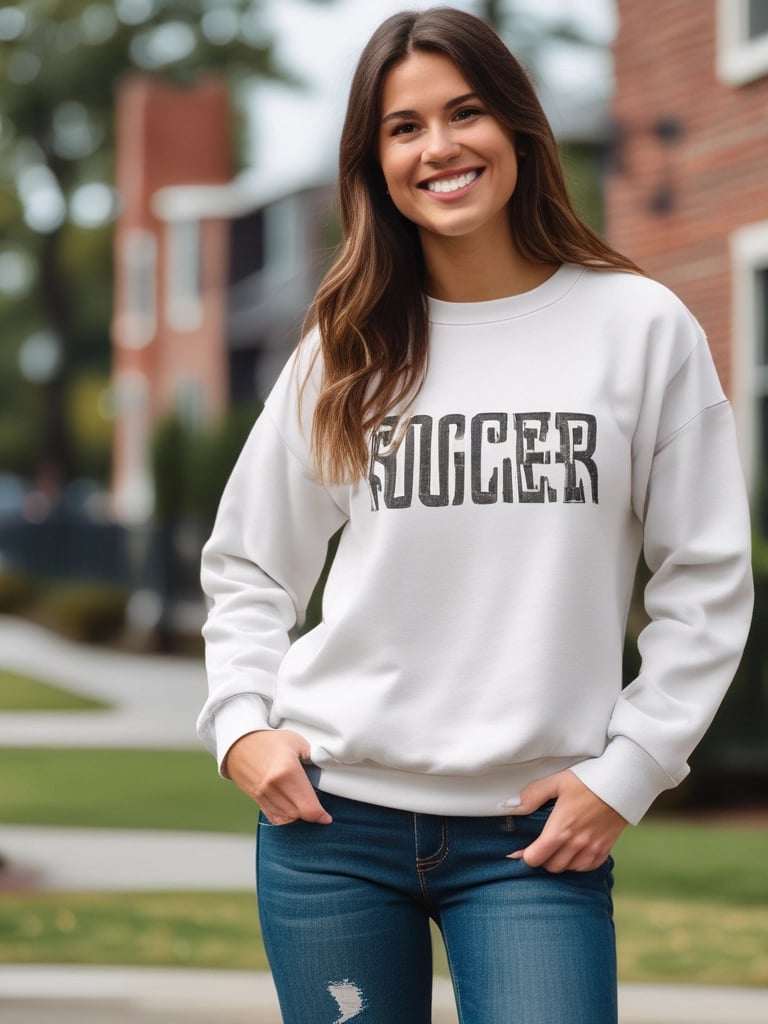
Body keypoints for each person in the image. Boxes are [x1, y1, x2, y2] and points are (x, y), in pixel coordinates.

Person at [197, 8, 753, 1023]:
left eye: (465, 112)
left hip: (534, 835)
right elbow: (249, 567)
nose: (440, 147)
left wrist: (628, 771)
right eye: (403, 127)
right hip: (332, 827)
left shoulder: (637, 330)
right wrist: (241, 726)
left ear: (520, 128)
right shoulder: (347, 345)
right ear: (374, 162)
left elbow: (705, 581)